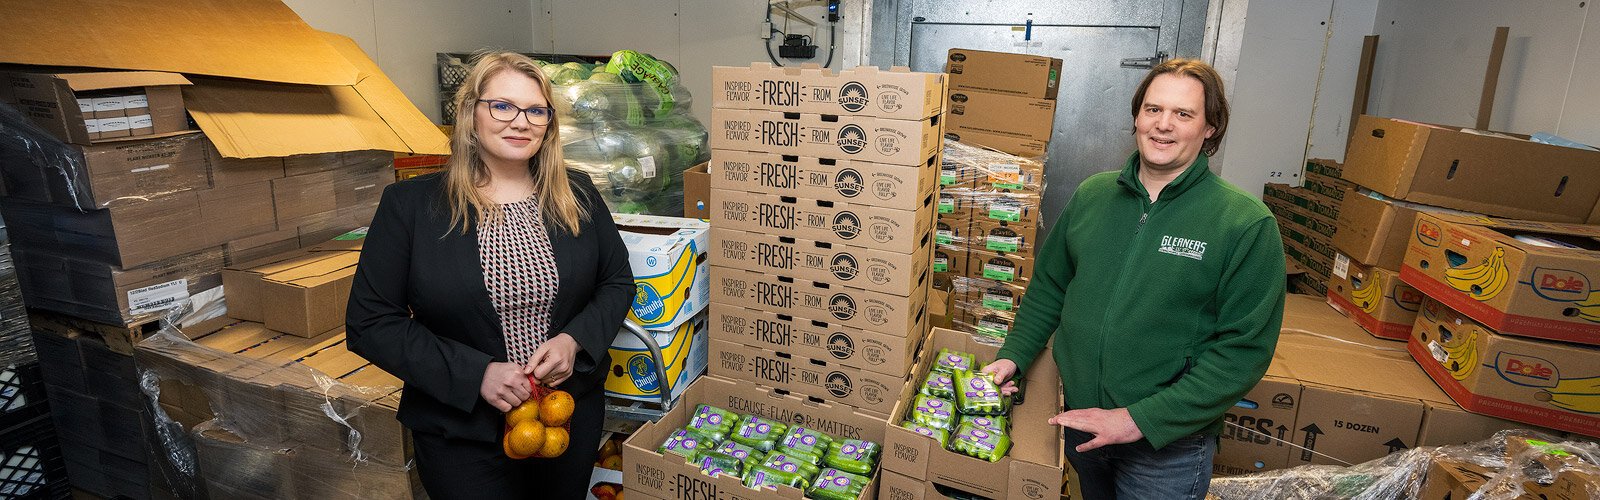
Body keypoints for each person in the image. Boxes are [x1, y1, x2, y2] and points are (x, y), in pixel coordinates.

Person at [981, 58, 1285, 499]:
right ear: (1136, 117)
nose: (1163, 125)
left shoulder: (1244, 223)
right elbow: (1049, 288)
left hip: (1166, 446)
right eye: (1152, 109)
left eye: (1183, 114)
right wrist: (1014, 357)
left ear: (1210, 128)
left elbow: (1243, 353)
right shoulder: (1093, 195)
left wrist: (1137, 419)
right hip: (1079, 423)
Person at [346, 52, 634, 499]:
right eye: (502, 105)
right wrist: (476, 373)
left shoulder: (576, 193)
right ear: (470, 114)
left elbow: (616, 282)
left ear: (549, 123)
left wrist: (573, 340)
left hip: (564, 419)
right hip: (460, 433)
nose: (520, 121)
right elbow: (369, 323)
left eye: (536, 110)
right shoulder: (411, 207)